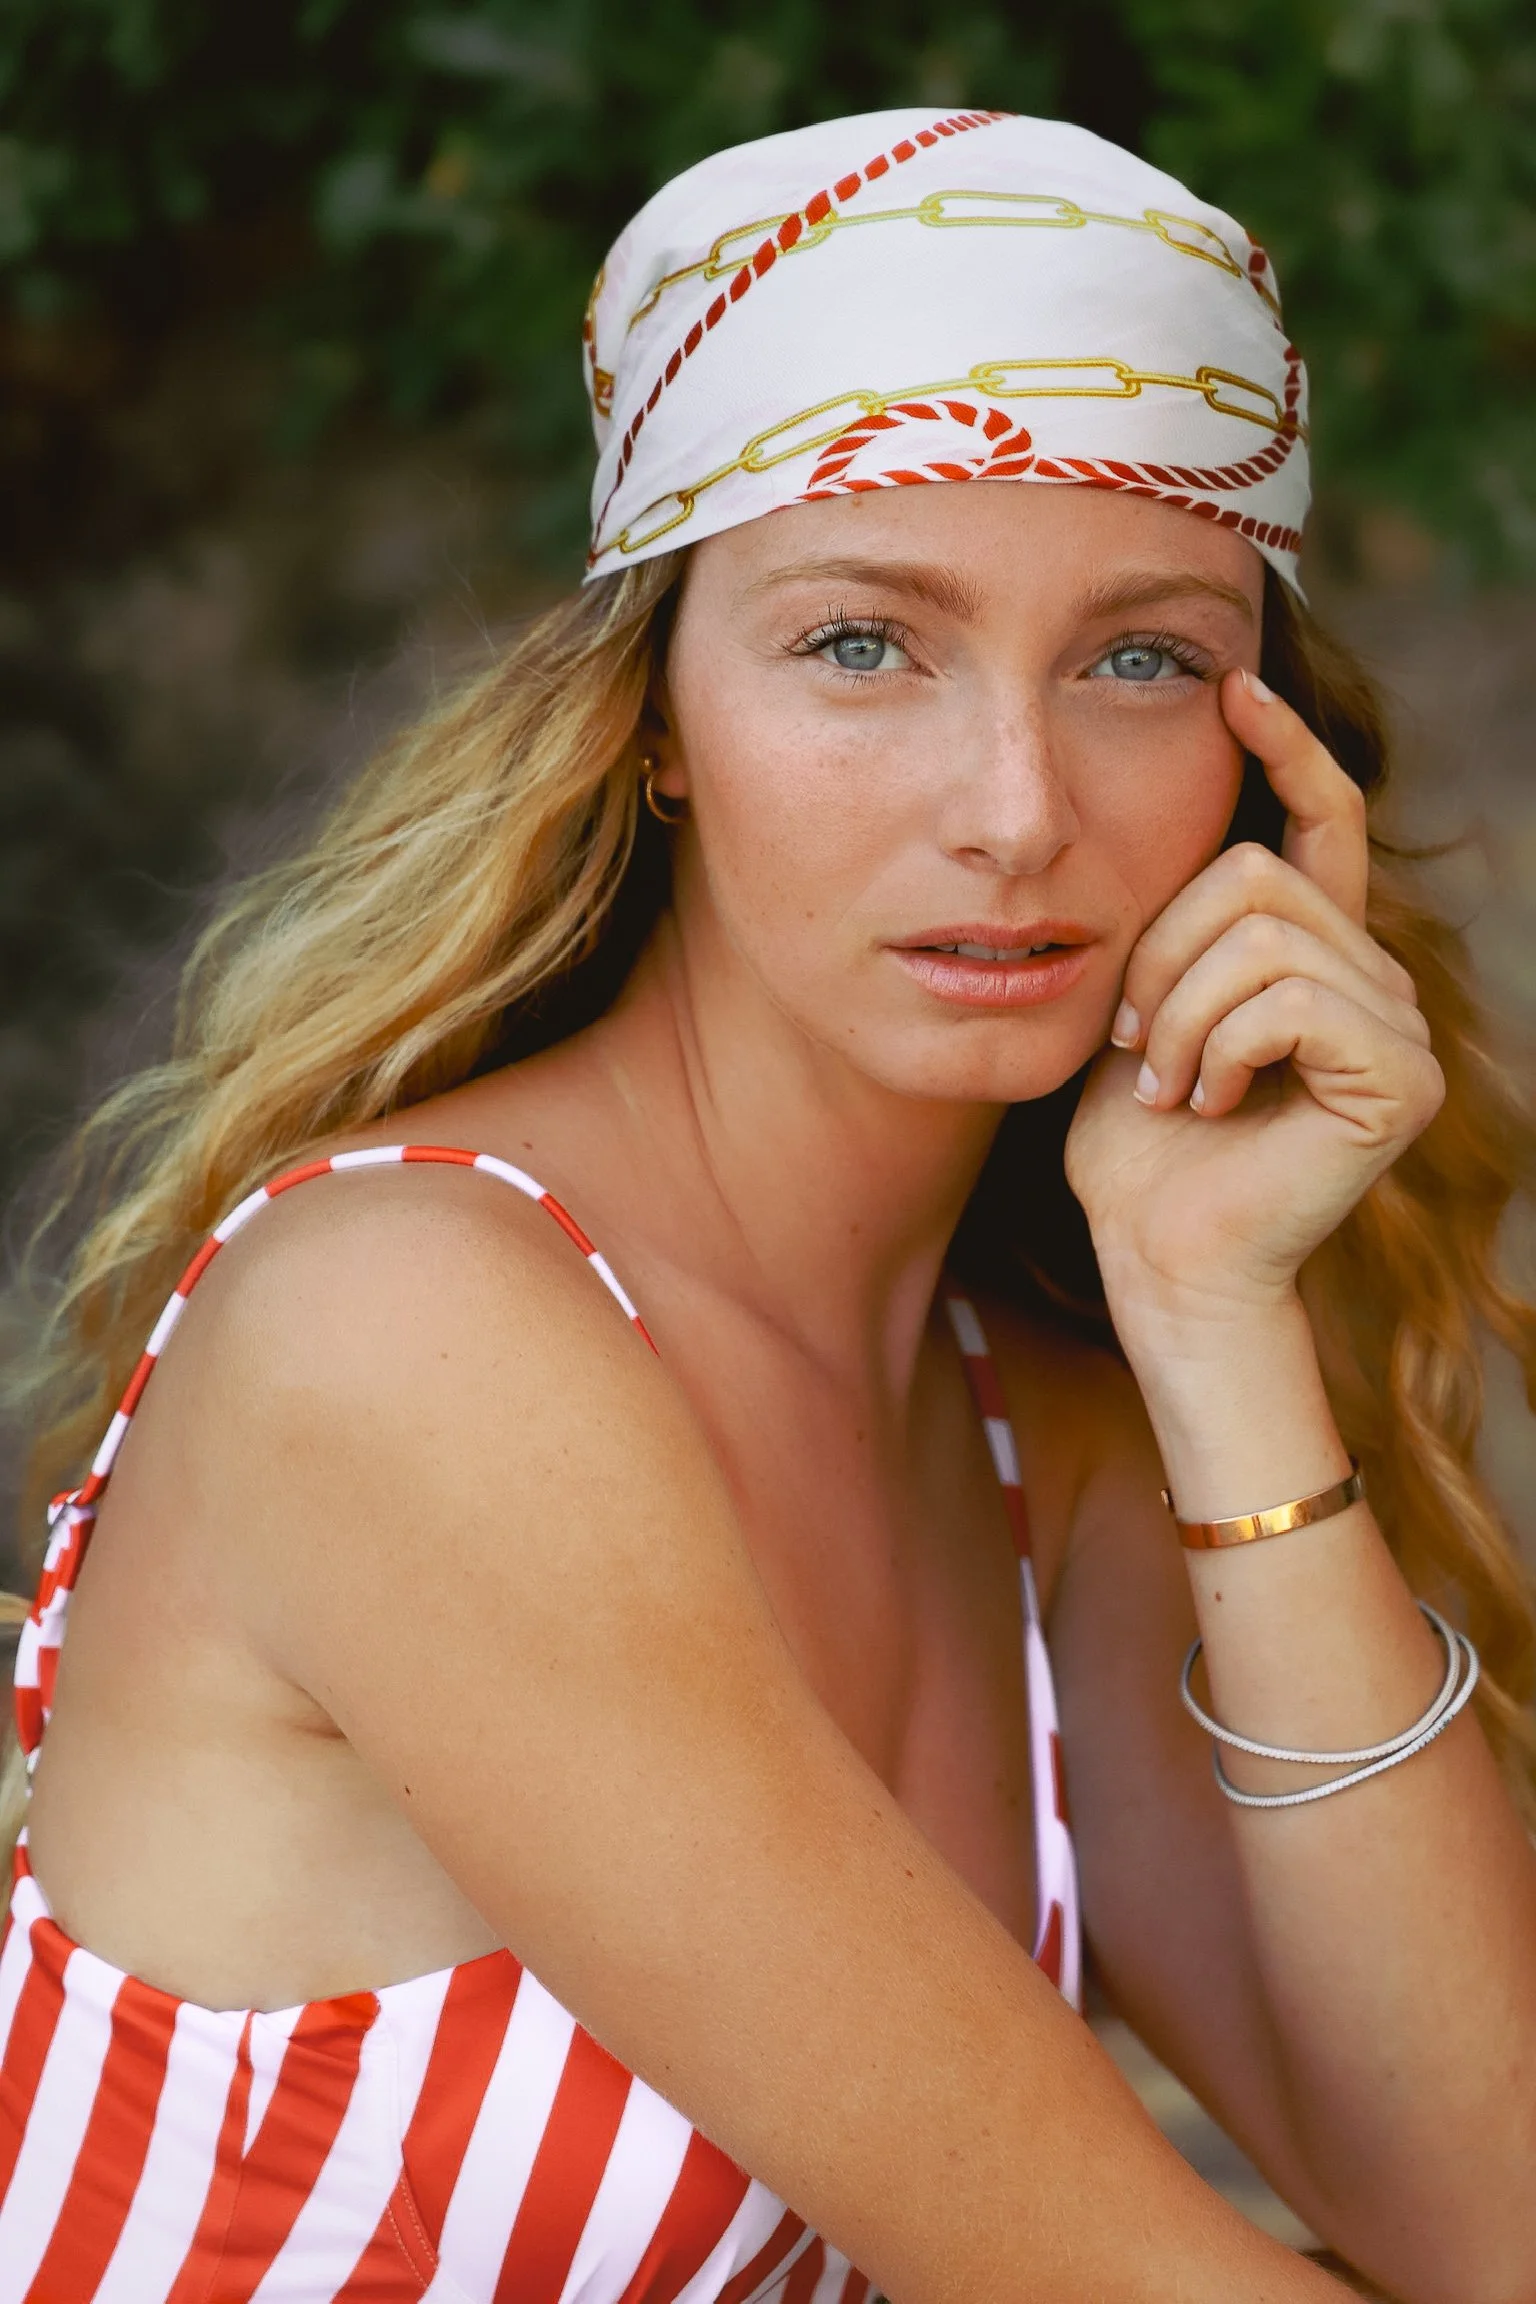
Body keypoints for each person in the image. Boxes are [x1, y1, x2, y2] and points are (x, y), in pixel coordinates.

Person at [2, 106, 1533, 2304]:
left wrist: (1217, 1315)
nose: (1015, 813)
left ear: (1262, 740)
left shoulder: (1049, 1435)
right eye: (860, 646)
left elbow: (1495, 2229)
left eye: (1139, 660)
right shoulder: (413, 1333)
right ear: (659, 722)